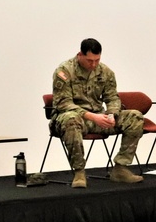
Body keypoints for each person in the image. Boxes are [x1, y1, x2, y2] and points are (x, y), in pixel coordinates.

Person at [50, 38, 144, 189]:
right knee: (70, 119)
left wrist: (112, 114)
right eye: (89, 60)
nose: (93, 64)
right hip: (73, 118)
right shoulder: (64, 71)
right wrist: (92, 116)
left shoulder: (105, 72)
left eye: (97, 60)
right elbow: (63, 104)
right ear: (80, 54)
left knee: (135, 117)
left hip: (98, 118)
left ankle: (120, 168)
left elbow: (113, 97)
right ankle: (79, 172)